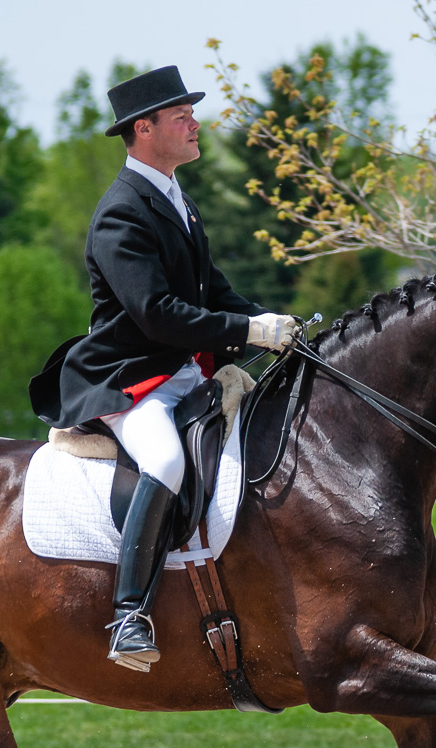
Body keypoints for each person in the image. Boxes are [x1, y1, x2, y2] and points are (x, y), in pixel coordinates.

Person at [29, 65, 300, 671]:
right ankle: (129, 615)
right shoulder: (121, 213)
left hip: (184, 372)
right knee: (167, 460)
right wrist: (249, 332)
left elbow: (215, 294)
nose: (195, 123)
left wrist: (279, 327)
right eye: (182, 117)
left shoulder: (176, 199)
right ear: (144, 128)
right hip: (128, 378)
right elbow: (157, 314)